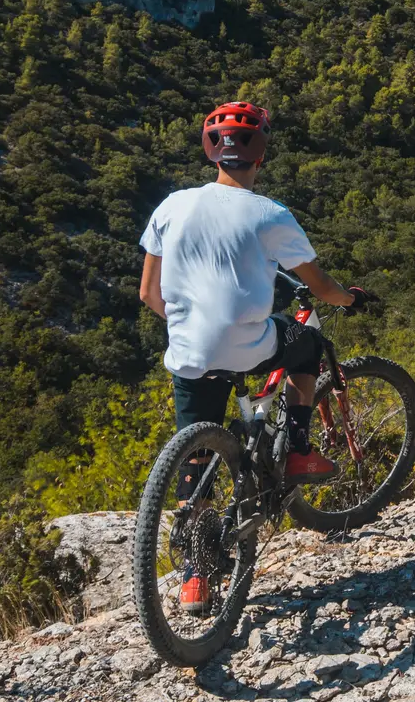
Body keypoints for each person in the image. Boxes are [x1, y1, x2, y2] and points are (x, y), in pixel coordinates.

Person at [137, 100, 373, 610]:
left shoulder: (171, 206)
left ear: (210, 153)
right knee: (306, 344)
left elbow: (149, 295)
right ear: (261, 155)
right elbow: (322, 288)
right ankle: (298, 450)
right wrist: (352, 298)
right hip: (250, 345)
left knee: (194, 458)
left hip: (189, 350)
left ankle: (195, 577)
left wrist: (194, 329)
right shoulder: (271, 215)